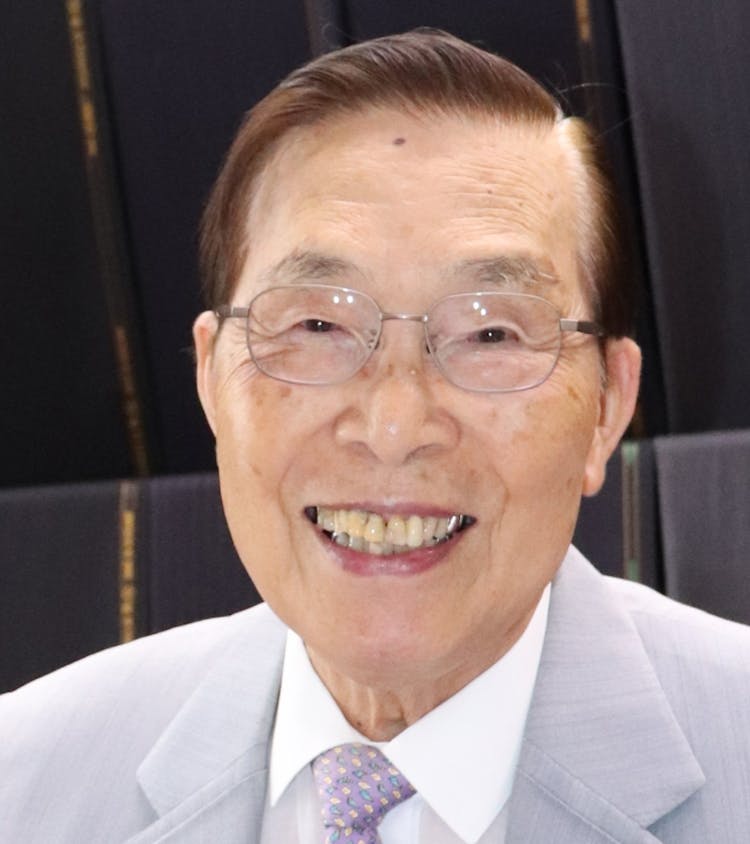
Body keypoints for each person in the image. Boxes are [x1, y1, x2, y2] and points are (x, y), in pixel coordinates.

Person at [2, 29, 749, 844]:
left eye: (489, 334)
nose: (393, 427)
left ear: (607, 406)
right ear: (211, 378)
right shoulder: (25, 779)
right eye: (318, 325)